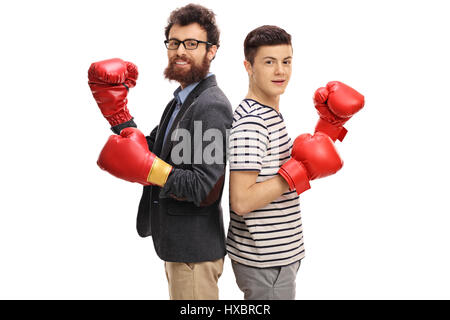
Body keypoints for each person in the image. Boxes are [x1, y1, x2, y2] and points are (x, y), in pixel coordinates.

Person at [88, 4, 233, 300]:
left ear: (212, 50)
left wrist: (150, 169)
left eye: (192, 44)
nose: (180, 51)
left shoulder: (210, 106)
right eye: (174, 42)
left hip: (194, 254)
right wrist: (118, 116)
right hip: (179, 247)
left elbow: (203, 188)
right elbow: (152, 150)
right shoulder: (181, 101)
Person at [226, 25, 364, 300]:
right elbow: (241, 200)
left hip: (276, 255)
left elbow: (303, 158)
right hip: (266, 260)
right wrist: (298, 169)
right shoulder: (253, 123)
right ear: (248, 67)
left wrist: (330, 124)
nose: (281, 71)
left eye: (286, 61)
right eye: (269, 62)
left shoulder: (266, 113)